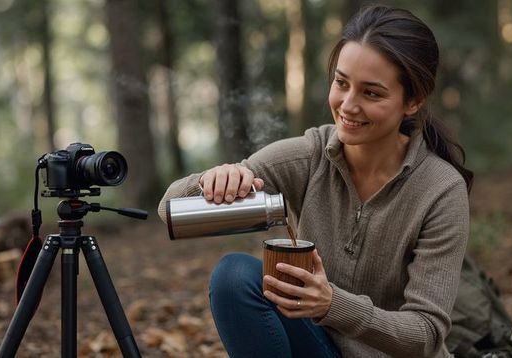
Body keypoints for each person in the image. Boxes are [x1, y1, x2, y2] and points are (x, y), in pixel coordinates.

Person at [158, 4, 473, 357]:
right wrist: (211, 181)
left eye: (371, 93)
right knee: (234, 276)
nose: (347, 105)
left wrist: (332, 304)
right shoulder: (309, 155)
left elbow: (426, 334)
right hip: (319, 347)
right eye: (341, 83)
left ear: (413, 101)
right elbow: (168, 209)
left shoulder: (440, 190)